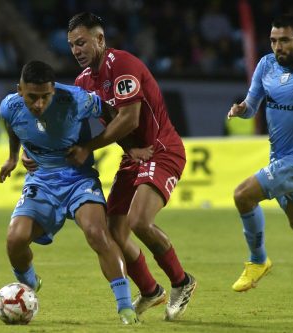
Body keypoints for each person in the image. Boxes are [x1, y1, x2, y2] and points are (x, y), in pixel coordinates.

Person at [64, 12, 197, 320]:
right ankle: (151, 291)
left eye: (82, 42)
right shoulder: (83, 81)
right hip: (135, 153)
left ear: (100, 39)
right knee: (113, 230)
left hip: (161, 149)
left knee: (138, 221)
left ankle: (182, 282)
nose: (76, 50)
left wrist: (89, 148)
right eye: (72, 45)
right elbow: (110, 120)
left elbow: (129, 118)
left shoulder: (122, 65)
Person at [0, 60, 138, 324]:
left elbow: (111, 113)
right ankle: (30, 283)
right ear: (19, 90)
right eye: (32, 97)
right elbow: (13, 127)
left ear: (54, 90)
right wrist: (14, 156)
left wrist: (123, 147)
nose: (39, 104)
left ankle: (125, 307)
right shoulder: (9, 106)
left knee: (98, 234)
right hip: (41, 180)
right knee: (15, 240)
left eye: (45, 97)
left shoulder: (76, 99)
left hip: (78, 178)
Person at [227, 14, 293, 304]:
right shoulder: (265, 65)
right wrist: (241, 110)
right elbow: (252, 106)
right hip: (280, 158)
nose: (278, 46)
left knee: (242, 195)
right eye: (274, 40)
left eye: (285, 40)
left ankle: (257, 260)